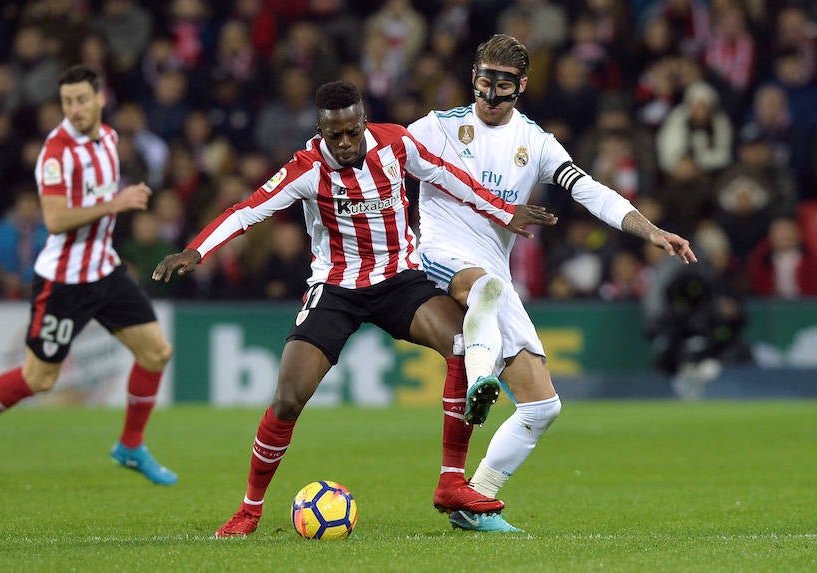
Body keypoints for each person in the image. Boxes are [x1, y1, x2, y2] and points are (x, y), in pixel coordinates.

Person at [152, 80, 556, 537]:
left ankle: (450, 483)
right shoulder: (305, 168)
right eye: (333, 135)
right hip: (337, 288)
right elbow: (248, 209)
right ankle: (249, 509)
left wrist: (505, 212)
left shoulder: (397, 144)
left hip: (399, 279)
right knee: (287, 399)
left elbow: (449, 177)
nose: (344, 143)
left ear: (364, 122)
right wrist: (196, 250)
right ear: (320, 130)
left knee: (462, 343)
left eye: (351, 132)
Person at [408, 33, 698, 532]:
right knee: (482, 289)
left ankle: (472, 502)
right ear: (472, 78)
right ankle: (479, 376)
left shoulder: (536, 143)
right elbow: (375, 157)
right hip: (439, 251)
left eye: (502, 84)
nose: (490, 95)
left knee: (542, 406)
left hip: (494, 272)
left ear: (520, 86)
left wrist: (649, 230)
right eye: (483, 81)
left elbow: (592, 192)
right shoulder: (437, 128)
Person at [0, 65, 177, 486]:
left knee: (156, 352)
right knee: (39, 378)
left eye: (82, 99)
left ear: (100, 99)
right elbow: (57, 218)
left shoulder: (111, 139)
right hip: (63, 280)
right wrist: (115, 204)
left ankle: (131, 446)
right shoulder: (57, 152)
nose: (75, 109)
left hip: (104, 268)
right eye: (67, 102)